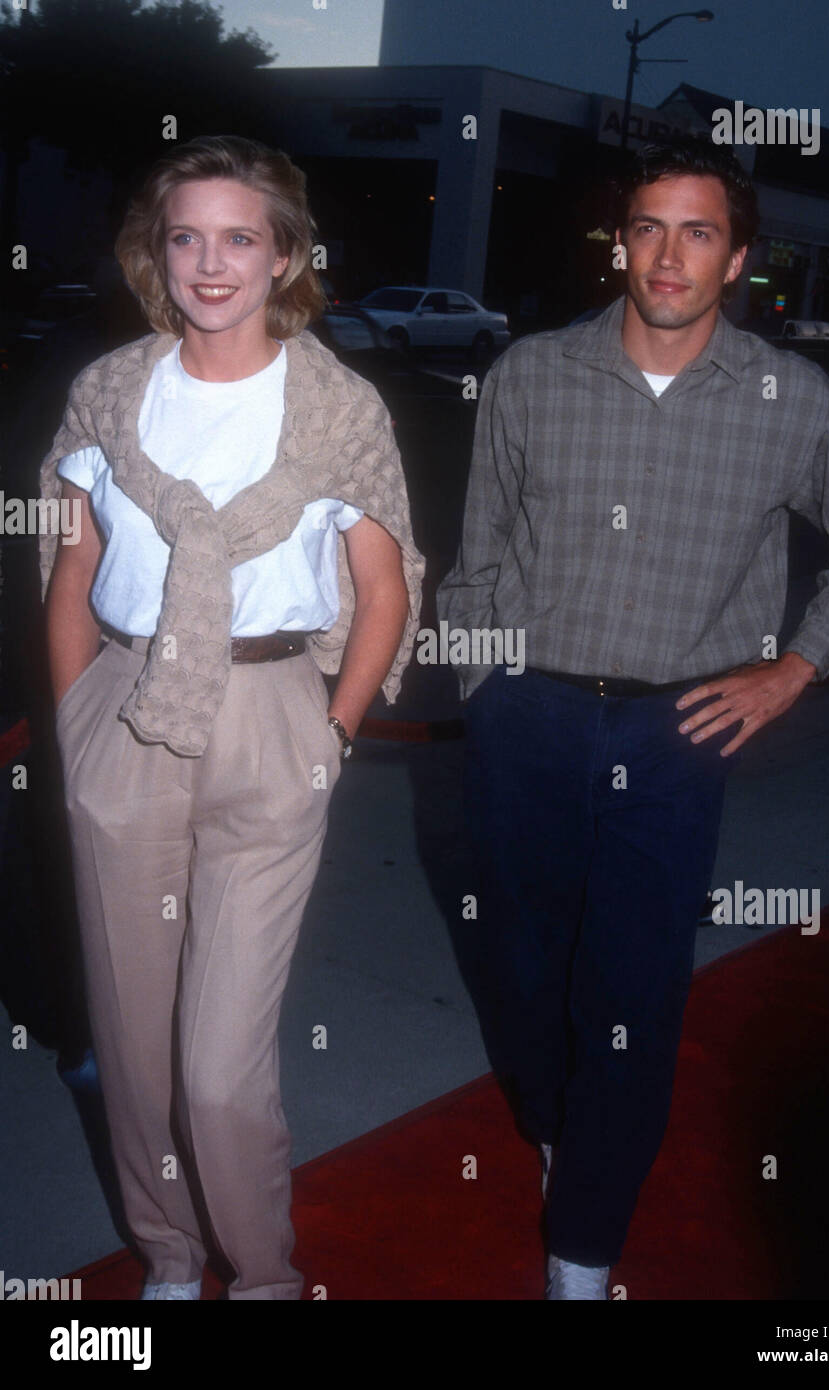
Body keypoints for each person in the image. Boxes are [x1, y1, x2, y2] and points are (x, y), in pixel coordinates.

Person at [437, 139, 829, 1299]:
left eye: (698, 232)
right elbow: (478, 553)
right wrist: (482, 689)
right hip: (530, 716)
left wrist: (795, 666)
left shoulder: (789, 397)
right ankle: (557, 1123)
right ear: (622, 240)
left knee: (635, 992)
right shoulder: (531, 373)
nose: (668, 253)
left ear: (738, 257)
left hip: (675, 737)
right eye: (650, 226)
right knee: (520, 967)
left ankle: (583, 1248)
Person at [38, 135, 424, 1300]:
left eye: (240, 237)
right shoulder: (108, 391)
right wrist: (75, 732)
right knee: (134, 1044)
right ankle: (167, 1251)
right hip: (125, 708)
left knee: (218, 1067)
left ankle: (260, 1274)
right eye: (187, 236)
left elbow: (387, 583)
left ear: (286, 255)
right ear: (158, 255)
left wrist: (338, 729)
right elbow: (71, 571)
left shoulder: (337, 407)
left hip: (271, 722)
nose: (212, 263)